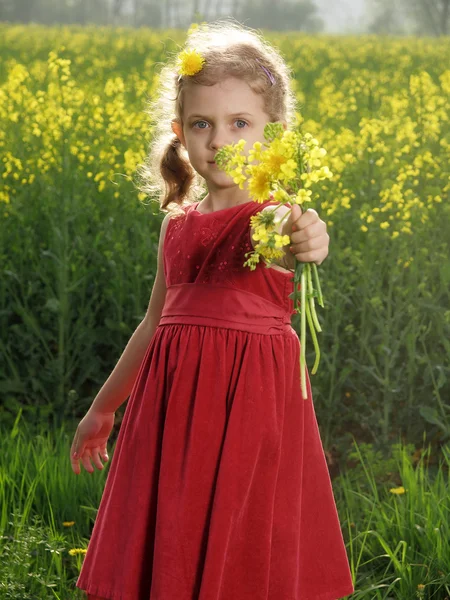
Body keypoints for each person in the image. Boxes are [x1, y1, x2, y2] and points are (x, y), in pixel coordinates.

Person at [70, 19, 355, 600]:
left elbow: (305, 234)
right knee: (173, 528)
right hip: (170, 409)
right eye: (203, 124)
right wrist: (103, 411)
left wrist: (312, 237)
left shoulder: (271, 218)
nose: (220, 140)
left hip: (245, 411)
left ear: (272, 132)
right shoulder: (177, 224)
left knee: (241, 533)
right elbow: (152, 324)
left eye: (240, 123)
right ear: (180, 132)